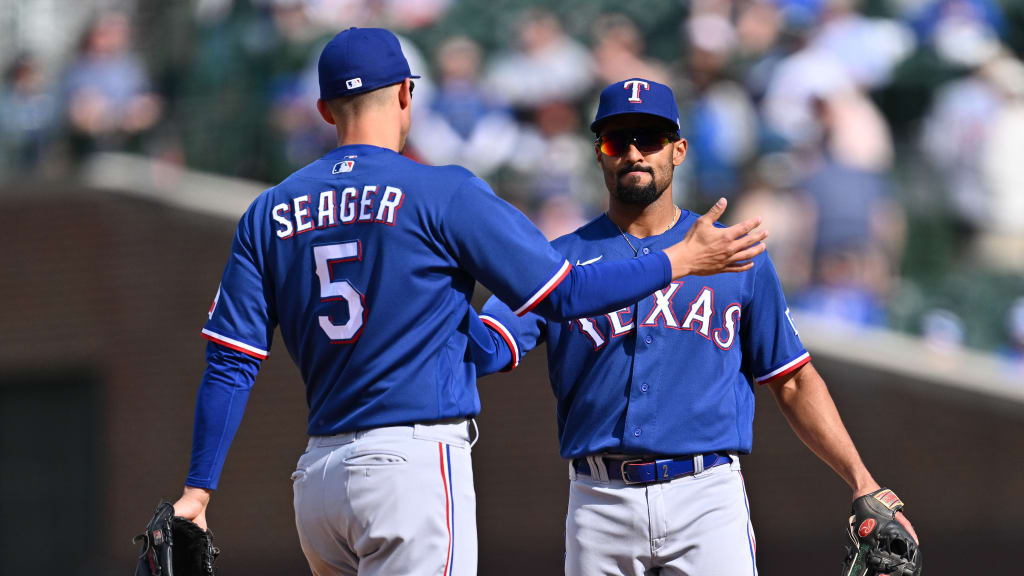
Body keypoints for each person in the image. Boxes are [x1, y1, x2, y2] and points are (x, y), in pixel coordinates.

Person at [168, 30, 767, 576]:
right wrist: (680, 261)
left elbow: (231, 360)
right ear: (406, 95)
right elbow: (569, 295)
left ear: (325, 110)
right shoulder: (440, 190)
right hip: (409, 466)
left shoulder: (267, 211)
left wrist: (198, 491)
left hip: (318, 481)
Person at [474, 78, 918, 575]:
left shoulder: (735, 256)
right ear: (598, 153)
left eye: (650, 139)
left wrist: (862, 480)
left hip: (706, 495)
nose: (635, 153)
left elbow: (791, 377)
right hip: (599, 498)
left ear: (679, 150)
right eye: (618, 141)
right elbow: (489, 346)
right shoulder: (560, 262)